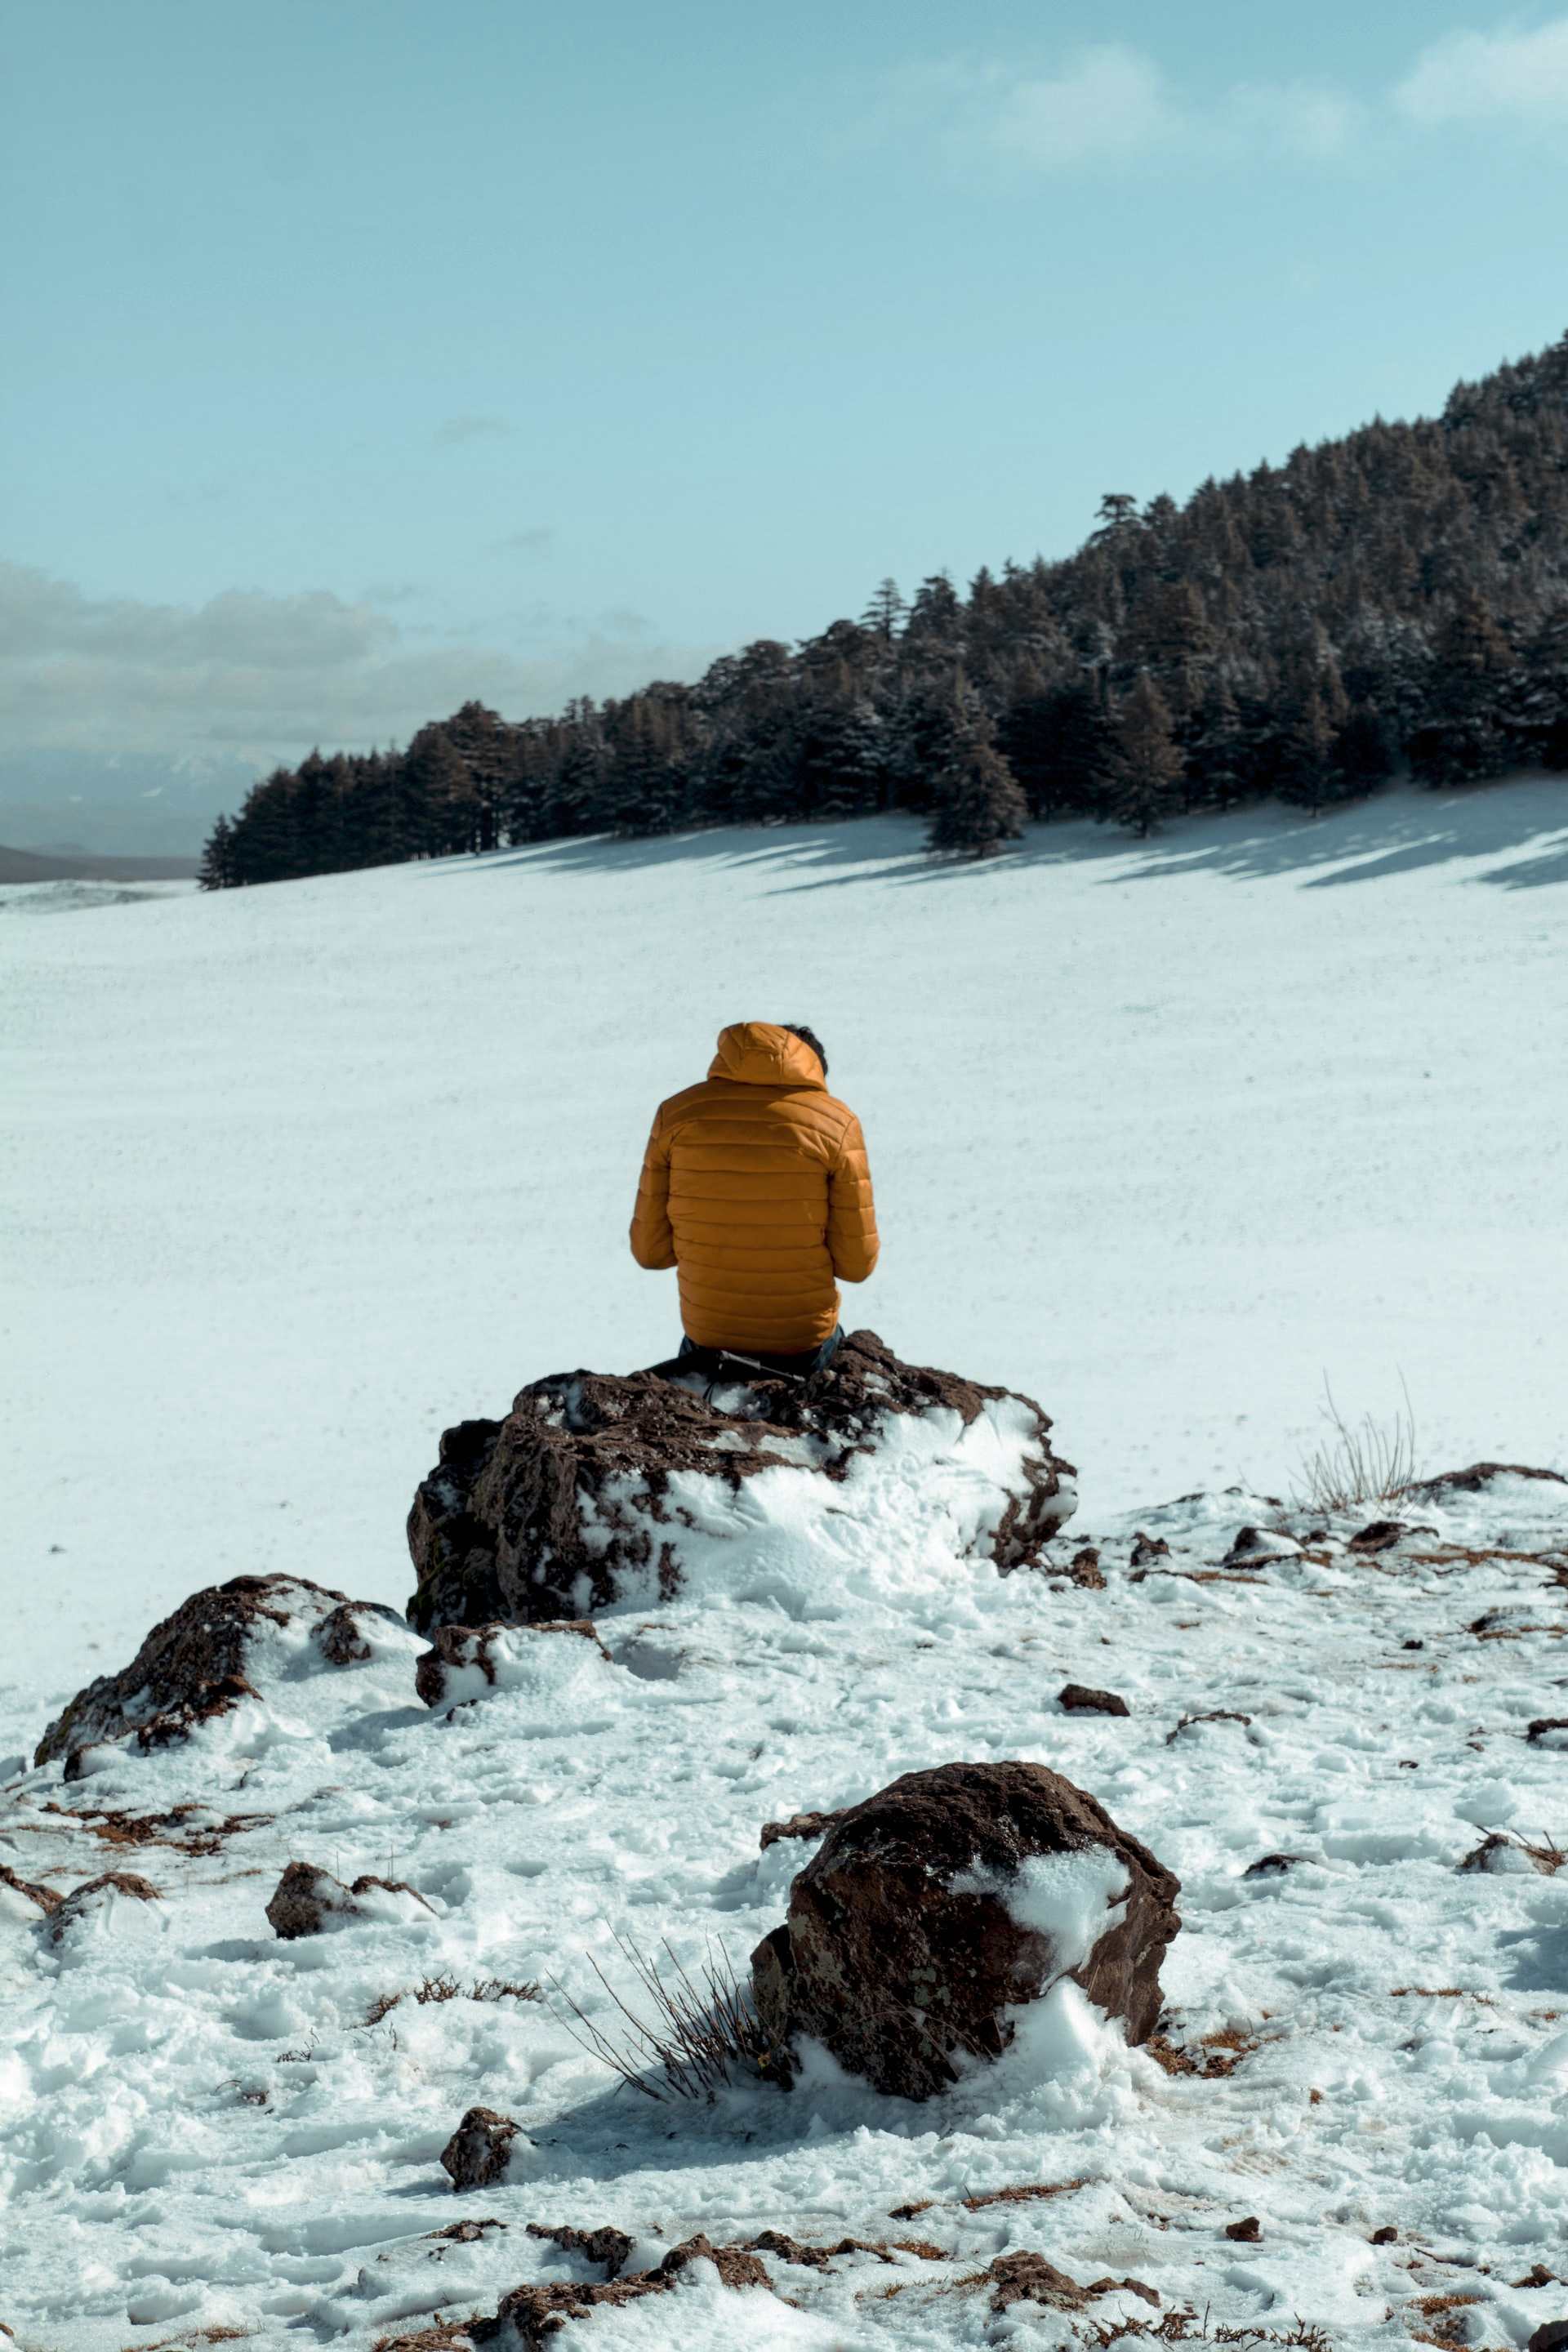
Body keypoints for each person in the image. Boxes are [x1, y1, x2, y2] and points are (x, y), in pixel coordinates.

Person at [630, 1021, 879, 1374]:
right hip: (802, 1343)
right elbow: (857, 1266)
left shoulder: (676, 1115)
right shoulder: (837, 1123)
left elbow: (650, 1252)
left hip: (709, 1338)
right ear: (812, 1068)